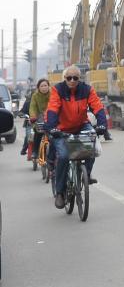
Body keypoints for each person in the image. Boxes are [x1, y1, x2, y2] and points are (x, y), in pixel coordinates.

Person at [46, 66, 107, 209]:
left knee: (91, 145)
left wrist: (103, 124)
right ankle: (60, 192)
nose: (72, 81)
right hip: (61, 128)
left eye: (75, 78)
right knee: (64, 156)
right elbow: (53, 109)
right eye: (69, 78)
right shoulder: (57, 90)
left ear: (80, 79)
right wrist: (53, 128)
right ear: (64, 79)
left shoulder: (87, 89)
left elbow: (97, 107)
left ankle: (85, 174)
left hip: (81, 125)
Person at [25, 79, 51, 159]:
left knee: (53, 136)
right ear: (38, 87)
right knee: (38, 134)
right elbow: (32, 107)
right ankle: (35, 151)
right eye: (42, 86)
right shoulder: (35, 96)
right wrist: (33, 116)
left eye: (45, 85)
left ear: (48, 86)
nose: (44, 88)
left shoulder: (53, 94)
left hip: (51, 116)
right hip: (39, 117)